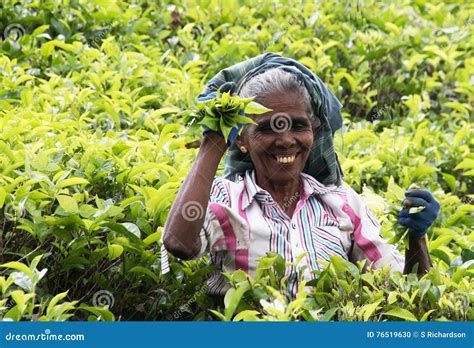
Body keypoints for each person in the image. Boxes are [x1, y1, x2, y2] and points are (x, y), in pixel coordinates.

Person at [162, 53, 440, 298]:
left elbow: (405, 293)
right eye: (268, 128)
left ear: (315, 132)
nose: (286, 140)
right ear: (241, 140)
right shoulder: (226, 197)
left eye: (298, 126)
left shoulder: (343, 204)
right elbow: (179, 244)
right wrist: (213, 142)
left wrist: (417, 238)